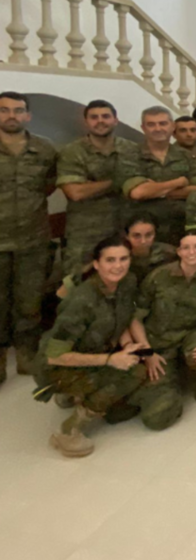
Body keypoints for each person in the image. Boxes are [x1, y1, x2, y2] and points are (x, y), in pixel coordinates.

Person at [35, 235, 147, 457]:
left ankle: (72, 394)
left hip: (92, 349)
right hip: (56, 365)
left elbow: (122, 316)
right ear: (97, 264)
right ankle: (68, 429)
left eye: (124, 259)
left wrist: (128, 346)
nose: (118, 266)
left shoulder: (127, 283)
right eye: (110, 260)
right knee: (135, 373)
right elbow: (54, 356)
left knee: (133, 364)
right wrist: (110, 360)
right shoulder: (82, 300)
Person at [129, 231, 196, 422]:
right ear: (179, 251)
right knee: (158, 418)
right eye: (186, 247)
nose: (192, 252)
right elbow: (135, 318)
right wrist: (147, 351)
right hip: (159, 344)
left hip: (191, 335)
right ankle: (168, 380)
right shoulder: (159, 276)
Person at [0, 91, 57, 383]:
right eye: (5, 110)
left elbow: (48, 186)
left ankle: (25, 352)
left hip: (33, 238)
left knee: (30, 300)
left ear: (27, 115)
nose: (12, 116)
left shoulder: (44, 150)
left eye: (18, 110)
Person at [57, 99, 140, 275]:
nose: (100, 121)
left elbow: (141, 184)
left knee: (123, 280)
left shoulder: (132, 150)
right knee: (76, 284)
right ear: (86, 121)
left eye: (106, 116)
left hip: (124, 229)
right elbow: (75, 192)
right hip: (85, 234)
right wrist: (115, 182)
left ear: (115, 120)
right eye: (94, 117)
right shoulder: (72, 152)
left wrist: (92, 185)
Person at [121, 107, 196, 246]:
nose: (157, 128)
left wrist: (156, 190)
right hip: (144, 234)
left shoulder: (187, 156)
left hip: (182, 229)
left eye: (163, 123)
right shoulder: (129, 155)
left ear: (172, 126)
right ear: (143, 128)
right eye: (151, 124)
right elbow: (138, 192)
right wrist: (178, 182)